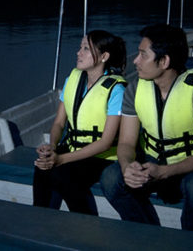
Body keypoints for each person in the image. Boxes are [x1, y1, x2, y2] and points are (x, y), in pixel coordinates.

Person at [100, 24, 193, 232]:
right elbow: (126, 142)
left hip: (190, 165)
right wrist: (127, 166)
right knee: (111, 179)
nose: (135, 61)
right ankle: (151, 234)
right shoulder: (135, 89)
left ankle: (190, 240)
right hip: (151, 160)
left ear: (164, 61)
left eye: (142, 55)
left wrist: (164, 172)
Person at [33, 29, 127, 215]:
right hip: (73, 147)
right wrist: (52, 146)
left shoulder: (116, 90)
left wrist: (61, 159)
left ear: (104, 56)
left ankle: (87, 224)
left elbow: (106, 142)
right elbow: (59, 123)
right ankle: (40, 219)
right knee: (42, 167)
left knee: (63, 174)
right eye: (80, 47)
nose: (78, 52)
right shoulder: (73, 79)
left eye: (86, 48)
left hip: (102, 157)